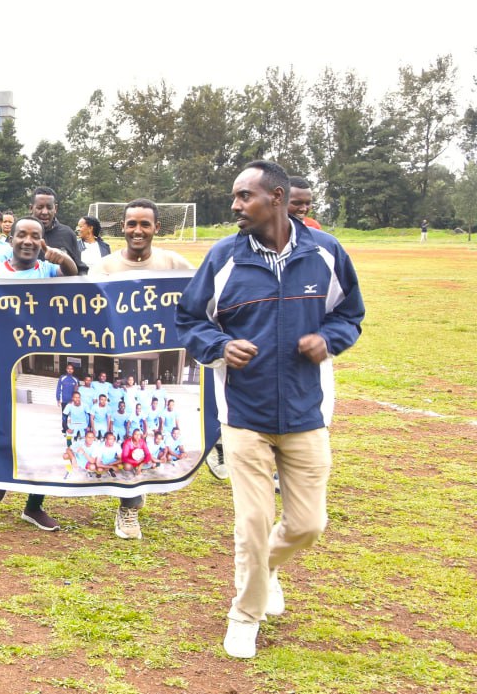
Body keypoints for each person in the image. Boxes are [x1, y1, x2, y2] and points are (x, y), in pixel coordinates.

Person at [176, 160, 364, 660]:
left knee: (308, 526)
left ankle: (267, 570)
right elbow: (190, 320)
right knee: (253, 523)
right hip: (244, 414)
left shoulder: (326, 253)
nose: (235, 205)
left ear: (277, 198)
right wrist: (218, 347)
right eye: (235, 197)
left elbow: (350, 314)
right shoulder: (223, 258)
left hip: (306, 414)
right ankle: (245, 615)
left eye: (245, 196)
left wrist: (329, 338)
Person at [93, 197, 194, 538]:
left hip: (154, 372)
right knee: (124, 433)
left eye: (144, 224)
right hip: (116, 369)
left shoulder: (174, 263)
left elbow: (198, 301)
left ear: (156, 229)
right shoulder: (104, 267)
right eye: (131, 224)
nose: (137, 230)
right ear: (122, 228)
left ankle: (131, 500)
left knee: (144, 435)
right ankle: (128, 507)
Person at [0, 217, 71, 531]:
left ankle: (34, 505)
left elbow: (74, 280)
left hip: (39, 362)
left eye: (36, 236)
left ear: (42, 241)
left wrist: (65, 258)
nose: (28, 241)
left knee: (44, 430)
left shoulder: (47, 270)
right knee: (0, 423)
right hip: (0, 363)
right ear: (10, 238)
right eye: (22, 235)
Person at [30, 187, 84, 274]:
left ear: (55, 208)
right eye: (40, 207)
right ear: (31, 208)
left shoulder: (68, 234)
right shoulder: (20, 233)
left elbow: (79, 269)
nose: (44, 212)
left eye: (49, 207)